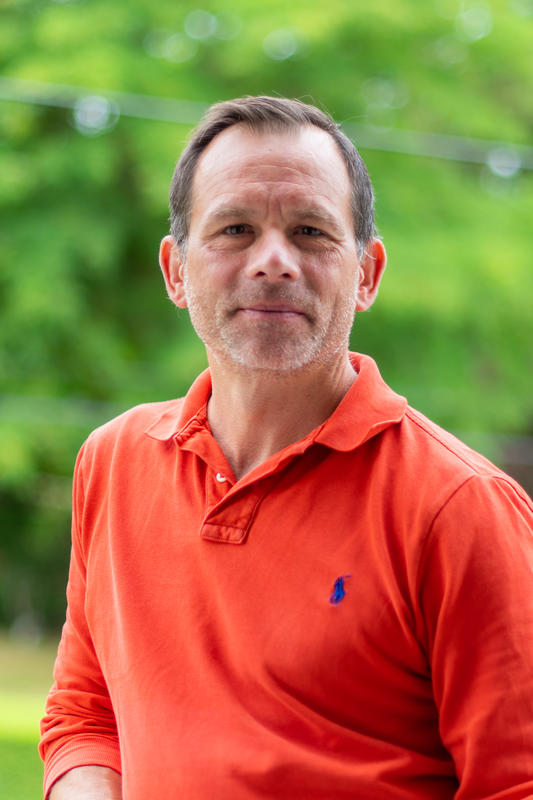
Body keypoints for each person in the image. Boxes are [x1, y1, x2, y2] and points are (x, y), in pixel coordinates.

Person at [39, 95, 533, 799]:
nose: (273, 261)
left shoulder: (460, 508)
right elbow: (86, 715)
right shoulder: (113, 462)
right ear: (175, 270)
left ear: (366, 274)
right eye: (235, 229)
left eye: (309, 231)